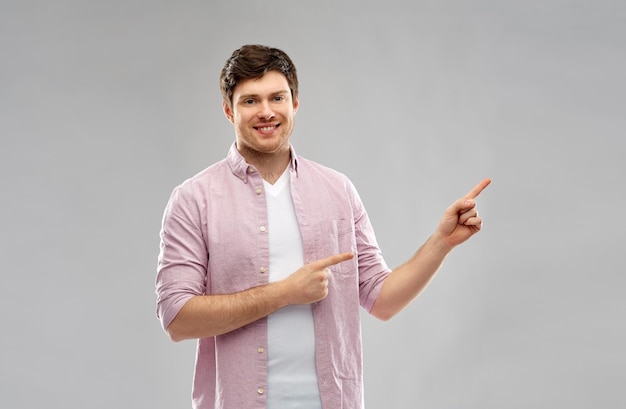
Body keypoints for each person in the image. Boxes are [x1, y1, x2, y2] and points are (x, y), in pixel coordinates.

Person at [155, 44, 491, 409]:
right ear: (228, 110)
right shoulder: (194, 199)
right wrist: (285, 293)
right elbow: (177, 318)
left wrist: (441, 242)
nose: (266, 112)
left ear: (295, 103)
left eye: (277, 97)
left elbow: (382, 299)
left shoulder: (337, 190)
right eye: (250, 101)